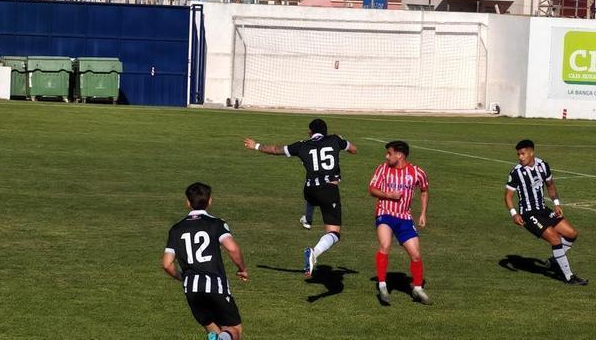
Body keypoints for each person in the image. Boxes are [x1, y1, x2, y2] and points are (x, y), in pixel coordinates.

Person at [244, 118, 357, 276]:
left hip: (309, 190)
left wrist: (255, 145)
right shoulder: (335, 139)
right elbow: (353, 149)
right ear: (326, 131)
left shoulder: (302, 145)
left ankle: (308, 219)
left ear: (310, 131)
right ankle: (314, 253)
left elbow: (277, 149)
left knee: (311, 193)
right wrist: (342, 141)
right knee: (334, 233)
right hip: (329, 190)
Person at [163, 182, 249, 340]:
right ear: (210, 201)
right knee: (235, 330)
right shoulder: (216, 224)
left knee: (215, 330)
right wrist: (242, 268)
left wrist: (183, 277)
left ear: (188, 202)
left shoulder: (176, 229)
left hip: (191, 289)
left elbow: (167, 264)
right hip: (215, 285)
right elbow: (232, 248)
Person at [504, 139, 588, 286]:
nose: (520, 157)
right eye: (518, 154)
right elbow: (508, 196)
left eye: (522, 154)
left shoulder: (543, 165)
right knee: (555, 239)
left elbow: (550, 185)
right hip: (528, 215)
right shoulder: (516, 172)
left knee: (571, 234)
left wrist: (556, 204)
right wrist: (514, 213)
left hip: (543, 210)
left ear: (531, 152)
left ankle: (554, 260)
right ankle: (569, 277)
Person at [368, 140, 431, 305]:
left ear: (399, 155)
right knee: (385, 245)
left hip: (404, 218)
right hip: (385, 213)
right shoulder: (383, 168)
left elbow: (424, 191)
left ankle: (417, 288)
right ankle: (382, 285)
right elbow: (372, 189)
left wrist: (423, 213)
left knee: (416, 255)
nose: (386, 156)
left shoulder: (417, 172)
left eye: (389, 153)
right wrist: (388, 195)